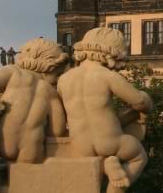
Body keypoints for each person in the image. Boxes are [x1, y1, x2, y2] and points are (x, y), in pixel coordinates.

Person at [58, 28, 152, 193]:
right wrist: (147, 100)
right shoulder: (106, 76)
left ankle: (106, 164)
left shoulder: (64, 80)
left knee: (95, 160)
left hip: (81, 146)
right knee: (138, 156)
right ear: (112, 52)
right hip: (110, 141)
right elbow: (139, 101)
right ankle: (114, 187)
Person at [0, 38, 69, 163]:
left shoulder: (14, 72)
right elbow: (57, 131)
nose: (56, 80)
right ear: (50, 67)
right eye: (57, 75)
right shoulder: (51, 93)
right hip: (31, 152)